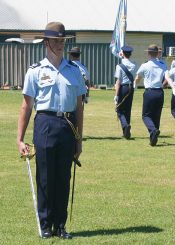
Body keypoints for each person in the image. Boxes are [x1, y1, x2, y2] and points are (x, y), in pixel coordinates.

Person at [16, 22, 86, 239]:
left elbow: (79, 106)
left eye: (62, 41)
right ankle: (46, 224)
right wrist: (20, 139)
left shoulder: (74, 71)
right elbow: (27, 105)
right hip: (45, 123)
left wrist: (79, 140)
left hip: (67, 124)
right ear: (46, 42)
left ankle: (60, 225)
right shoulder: (35, 71)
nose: (59, 44)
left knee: (63, 178)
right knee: (46, 177)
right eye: (55, 40)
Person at [134, 44, 167, 146]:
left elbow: (138, 77)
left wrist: (135, 84)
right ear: (157, 54)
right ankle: (153, 138)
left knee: (146, 115)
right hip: (160, 92)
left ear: (148, 53)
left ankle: (153, 130)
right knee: (156, 116)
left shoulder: (145, 65)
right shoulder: (163, 64)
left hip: (149, 92)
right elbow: (167, 76)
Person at [114, 45, 137, 139]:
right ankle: (126, 133)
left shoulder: (119, 66)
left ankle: (125, 126)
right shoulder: (134, 64)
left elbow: (118, 81)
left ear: (122, 53)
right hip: (131, 88)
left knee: (119, 110)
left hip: (123, 88)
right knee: (128, 110)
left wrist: (116, 95)